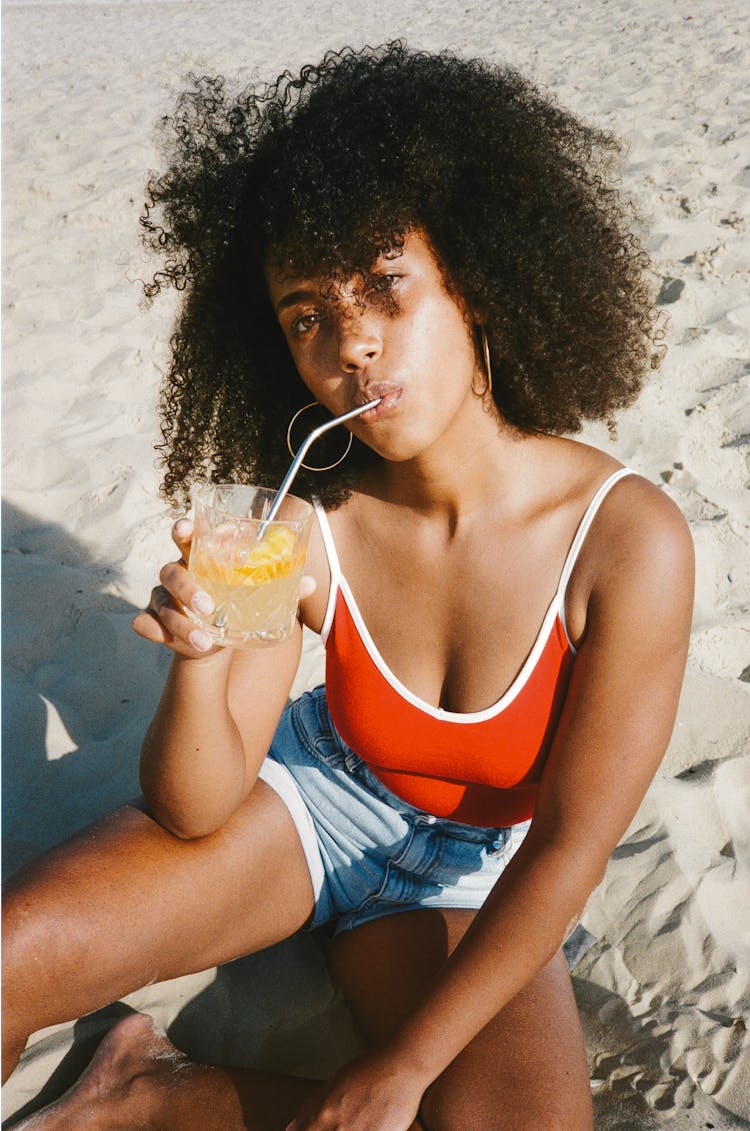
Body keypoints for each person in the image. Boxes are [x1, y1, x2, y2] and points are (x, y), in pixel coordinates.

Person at [2, 41, 694, 1130]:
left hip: (478, 881)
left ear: (474, 277)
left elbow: (570, 849)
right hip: (309, 809)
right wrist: (201, 664)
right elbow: (199, 805)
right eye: (306, 316)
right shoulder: (303, 526)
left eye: (383, 285)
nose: (353, 344)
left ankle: (160, 1095)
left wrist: (408, 1067)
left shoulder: (626, 542)